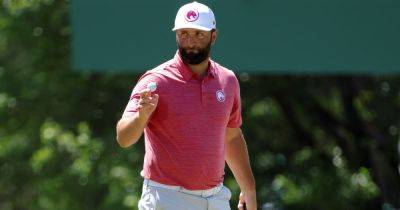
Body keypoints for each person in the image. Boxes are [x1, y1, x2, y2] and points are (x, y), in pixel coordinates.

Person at [116, 2, 256, 210]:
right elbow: (123, 138)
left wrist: (249, 189)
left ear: (213, 36)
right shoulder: (155, 81)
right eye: (184, 33)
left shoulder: (227, 81)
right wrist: (141, 117)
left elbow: (231, 135)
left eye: (199, 34)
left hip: (216, 198)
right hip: (166, 198)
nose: (190, 41)